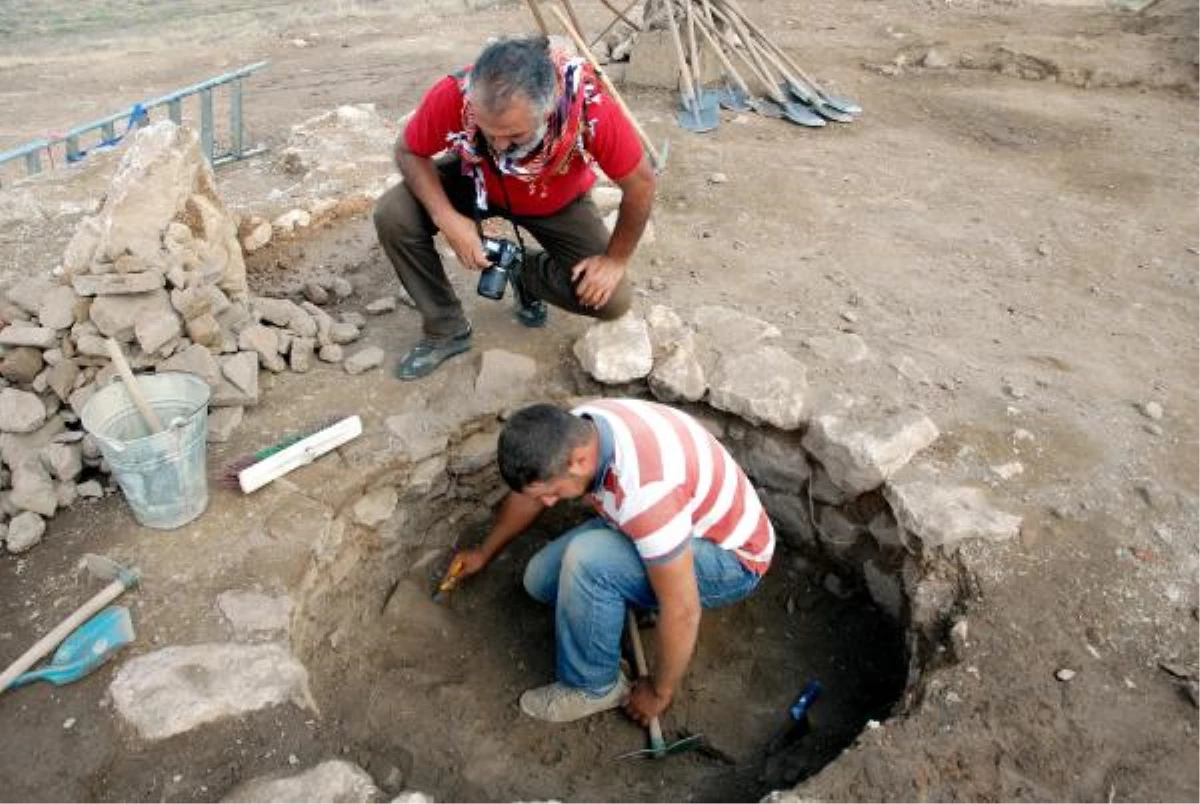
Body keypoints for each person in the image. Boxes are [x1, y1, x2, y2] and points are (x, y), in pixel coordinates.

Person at [456, 398, 775, 724]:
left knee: (587, 562)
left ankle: (594, 687)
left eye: (552, 491)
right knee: (540, 581)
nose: (549, 502)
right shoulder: (578, 428)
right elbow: (531, 494)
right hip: (669, 526)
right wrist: (485, 553)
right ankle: (619, 600)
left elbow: (682, 609)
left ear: (579, 461)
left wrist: (658, 692)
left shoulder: (645, 494)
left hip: (730, 559)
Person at [374, 35, 657, 380]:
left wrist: (615, 261)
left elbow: (640, 184)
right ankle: (445, 328)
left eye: (515, 136)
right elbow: (408, 150)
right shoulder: (456, 93)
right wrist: (447, 217)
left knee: (612, 300)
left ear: (549, 105)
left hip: (555, 197)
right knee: (394, 214)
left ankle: (523, 272)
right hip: (474, 176)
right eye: (488, 131)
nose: (499, 146)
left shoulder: (591, 109)